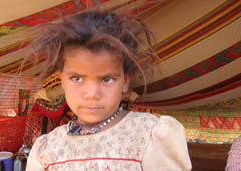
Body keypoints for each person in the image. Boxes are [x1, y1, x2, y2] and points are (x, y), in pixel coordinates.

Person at [26, 10, 192, 171]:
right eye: (77, 78)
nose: (91, 94)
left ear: (125, 82)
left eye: (107, 79)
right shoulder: (48, 148)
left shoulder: (148, 135)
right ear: (62, 80)